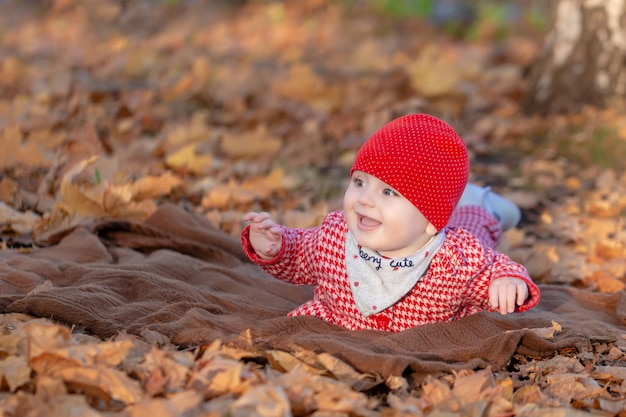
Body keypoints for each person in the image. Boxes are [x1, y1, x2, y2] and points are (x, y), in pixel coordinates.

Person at [241, 113, 540, 331]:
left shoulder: (456, 260)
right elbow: (299, 254)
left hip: (451, 234)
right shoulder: (335, 237)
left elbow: (493, 268)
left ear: (430, 220)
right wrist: (276, 248)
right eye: (359, 182)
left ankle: (482, 206)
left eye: (388, 192)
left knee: (472, 229)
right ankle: (462, 203)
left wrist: (509, 281)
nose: (365, 200)